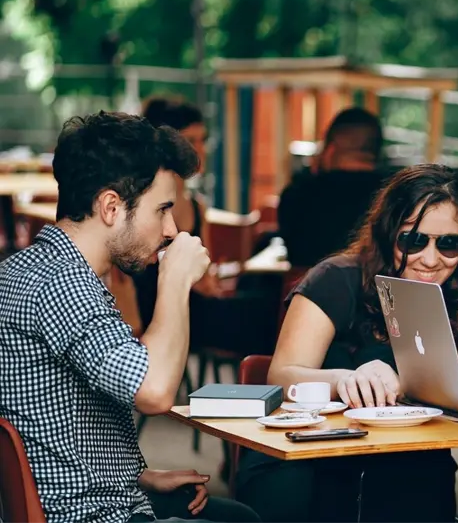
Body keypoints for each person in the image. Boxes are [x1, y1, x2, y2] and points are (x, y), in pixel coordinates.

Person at [0, 111, 261, 523]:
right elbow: (154, 392)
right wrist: (174, 281)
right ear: (110, 207)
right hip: (86, 514)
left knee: (238, 516)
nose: (172, 228)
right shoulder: (62, 285)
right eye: (161, 210)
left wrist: (137, 477)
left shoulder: (28, 268)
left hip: (87, 496)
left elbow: (57, 422)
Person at [236, 163, 458, 523]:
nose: (430, 258)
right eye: (413, 240)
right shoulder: (335, 278)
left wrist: (403, 379)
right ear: (388, 232)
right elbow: (280, 376)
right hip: (311, 455)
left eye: (450, 244)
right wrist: (346, 380)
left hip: (410, 457)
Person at [134, 96, 223, 334]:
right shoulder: (138, 206)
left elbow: (206, 279)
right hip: (147, 317)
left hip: (190, 314)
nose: (201, 150)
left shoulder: (198, 207)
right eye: (191, 140)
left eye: (203, 140)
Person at [276, 107, 389, 267]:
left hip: (308, 290)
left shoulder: (297, 195)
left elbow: (294, 256)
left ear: (330, 149)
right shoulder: (394, 195)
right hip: (375, 290)